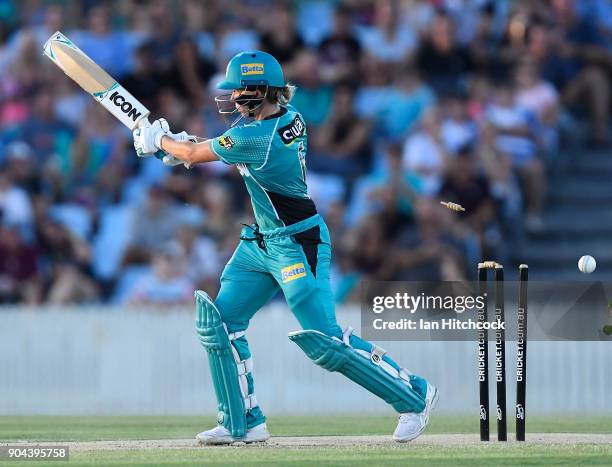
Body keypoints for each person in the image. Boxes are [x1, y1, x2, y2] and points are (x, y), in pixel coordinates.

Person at [133, 50, 438, 445]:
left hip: (297, 243)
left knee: (324, 342)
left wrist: (162, 141)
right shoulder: (285, 120)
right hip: (261, 242)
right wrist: (179, 147)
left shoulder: (254, 136)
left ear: (261, 90)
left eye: (239, 89)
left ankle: (414, 394)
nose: (231, 97)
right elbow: (209, 152)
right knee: (220, 325)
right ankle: (242, 421)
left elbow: (200, 153)